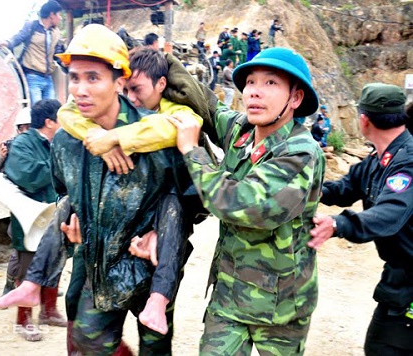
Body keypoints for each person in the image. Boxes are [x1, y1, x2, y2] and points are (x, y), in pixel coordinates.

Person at [126, 47, 325, 354]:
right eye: (250, 83)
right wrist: (165, 63)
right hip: (230, 297)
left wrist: (193, 150)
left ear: (295, 99)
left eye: (271, 83)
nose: (255, 92)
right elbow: (207, 105)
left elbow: (242, 204)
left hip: (281, 307)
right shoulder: (242, 131)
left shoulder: (300, 152)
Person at [46, 24, 200, 355]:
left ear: (119, 82)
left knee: (155, 346)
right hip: (99, 267)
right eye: (74, 78)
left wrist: (165, 232)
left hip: (151, 266)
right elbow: (63, 190)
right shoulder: (66, 140)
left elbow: (194, 197)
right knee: (89, 341)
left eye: (93, 77)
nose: (80, 89)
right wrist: (75, 220)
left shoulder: (162, 136)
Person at [308, 83, 412, 356]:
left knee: (384, 347)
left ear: (363, 120)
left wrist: (338, 224)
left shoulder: (408, 160)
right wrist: (307, 190)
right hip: (399, 279)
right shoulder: (380, 157)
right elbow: (345, 188)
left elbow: (391, 212)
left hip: (409, 284)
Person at [3, 98, 65, 341]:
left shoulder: (57, 142)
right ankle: (23, 319)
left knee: (55, 262)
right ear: (50, 122)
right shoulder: (22, 143)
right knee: (29, 268)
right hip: (30, 218)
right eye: (61, 118)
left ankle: (48, 311)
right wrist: (55, 165)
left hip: (54, 213)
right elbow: (27, 175)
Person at [0, 106, 32, 297]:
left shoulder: (42, 145)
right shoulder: (14, 148)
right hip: (21, 206)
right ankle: (10, 285)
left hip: (40, 205)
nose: (27, 132)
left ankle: (40, 285)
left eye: (30, 127)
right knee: (21, 250)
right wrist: (2, 158)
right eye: (24, 128)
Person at [0, 0, 65, 105]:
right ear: (51, 15)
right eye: (59, 15)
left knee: (50, 111)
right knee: (36, 111)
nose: (60, 18)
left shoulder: (55, 32)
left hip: (48, 77)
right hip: (33, 76)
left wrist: (65, 63)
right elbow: (19, 38)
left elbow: (57, 52)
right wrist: (7, 43)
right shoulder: (32, 26)